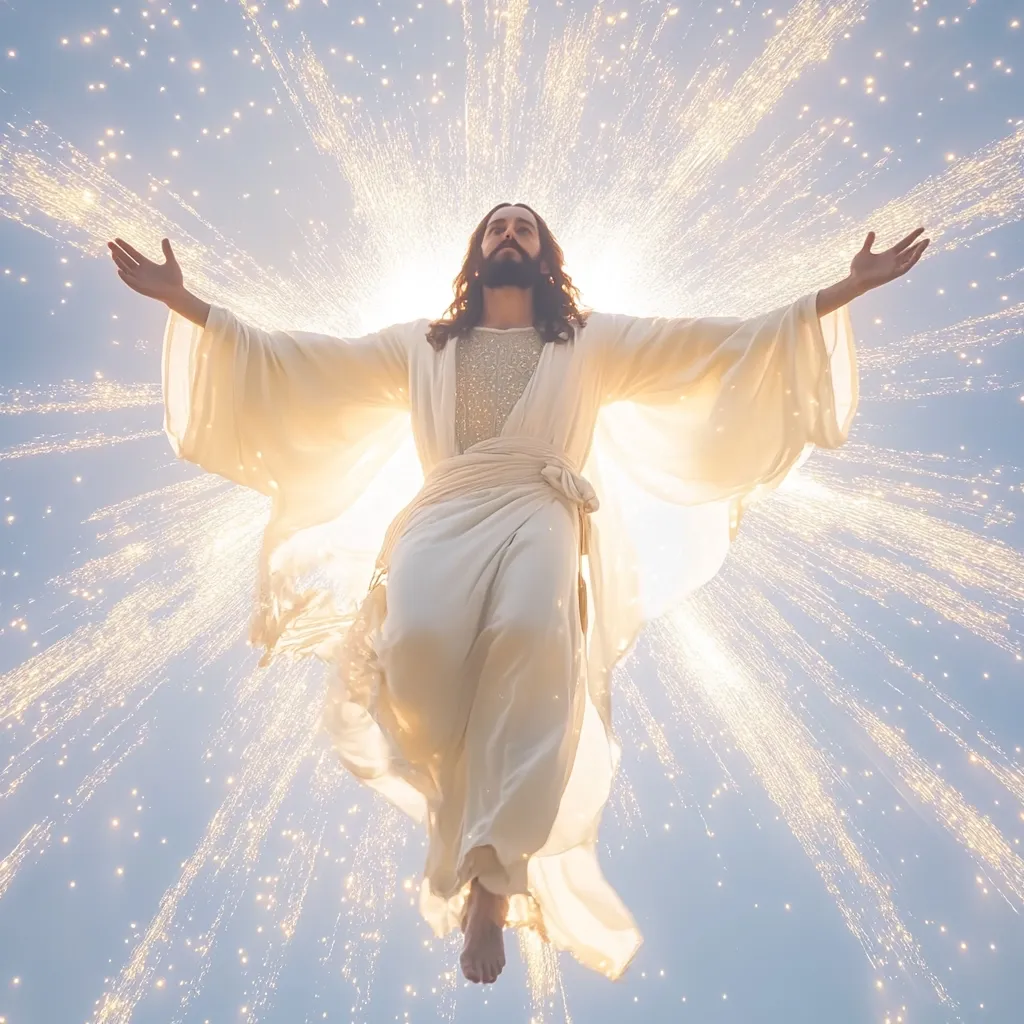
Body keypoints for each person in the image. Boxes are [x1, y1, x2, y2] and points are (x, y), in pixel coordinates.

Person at [108, 205, 927, 985]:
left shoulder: (592, 341)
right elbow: (301, 363)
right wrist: (187, 302)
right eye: (498, 226)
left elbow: (720, 346)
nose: (509, 235)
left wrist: (845, 289)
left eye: (524, 228)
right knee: (418, 645)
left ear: (544, 255)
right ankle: (461, 819)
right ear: (478, 251)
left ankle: (493, 884)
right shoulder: (419, 347)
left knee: (534, 640)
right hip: (443, 508)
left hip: (541, 505)